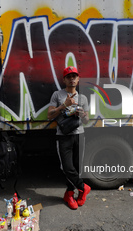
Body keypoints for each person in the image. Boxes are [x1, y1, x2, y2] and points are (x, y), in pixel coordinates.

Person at [47, 66, 91, 210]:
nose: (72, 79)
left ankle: (70, 194)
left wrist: (83, 114)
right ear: (64, 79)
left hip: (79, 134)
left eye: (74, 76)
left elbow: (86, 120)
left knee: (77, 167)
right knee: (66, 167)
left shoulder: (83, 97)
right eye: (69, 77)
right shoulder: (57, 95)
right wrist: (63, 106)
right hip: (63, 136)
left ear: (78, 79)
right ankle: (83, 187)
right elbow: (49, 115)